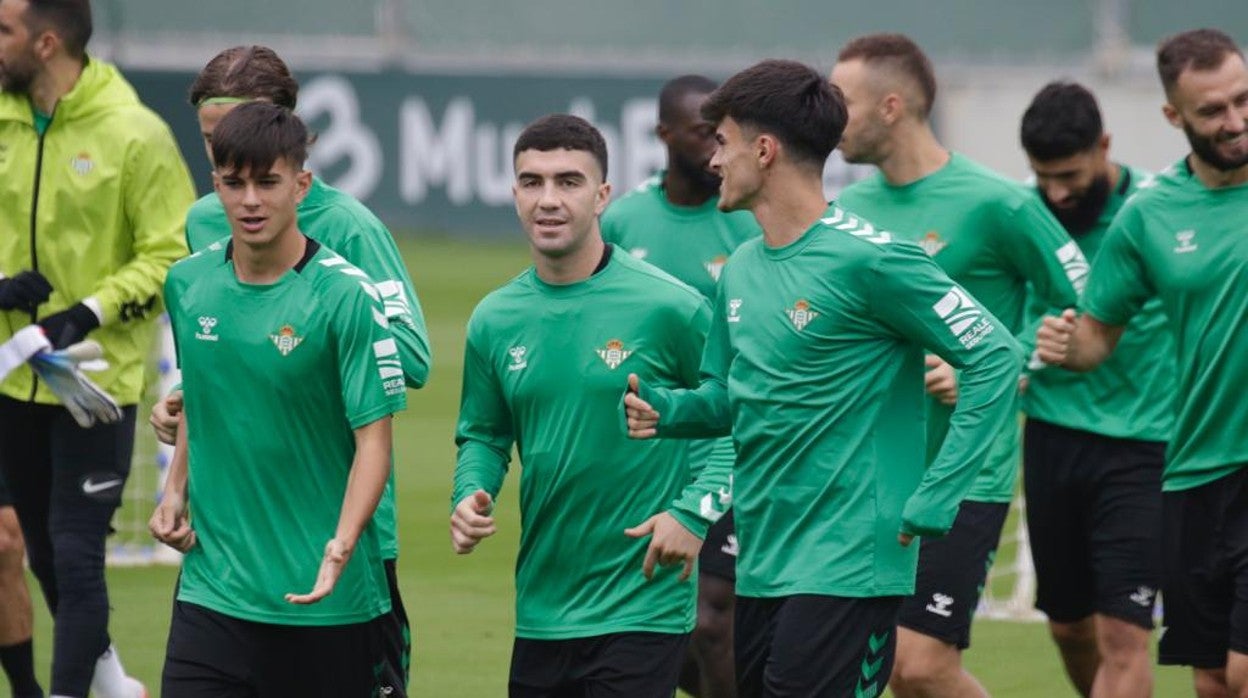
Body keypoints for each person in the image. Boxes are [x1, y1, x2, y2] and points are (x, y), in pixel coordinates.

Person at [623, 59, 1023, 697]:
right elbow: (732, 396)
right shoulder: (743, 268)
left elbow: (995, 356)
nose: (714, 161)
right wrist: (668, 413)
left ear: (764, 149)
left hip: (851, 563)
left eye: (722, 142)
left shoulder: (875, 259)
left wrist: (938, 492)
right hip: (764, 559)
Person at [146, 44, 431, 695]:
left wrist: (312, 340)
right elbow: (229, 336)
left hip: (336, 521)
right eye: (215, 147)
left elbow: (408, 360)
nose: (233, 170)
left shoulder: (348, 233)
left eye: (243, 139)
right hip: (227, 552)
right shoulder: (201, 226)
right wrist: (195, 396)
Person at [830, 34, 1086, 698]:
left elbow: (1078, 296)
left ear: (891, 106)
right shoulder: (846, 215)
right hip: (869, 476)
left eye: (843, 104)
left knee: (922, 665)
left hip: (965, 473)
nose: (831, 121)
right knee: (888, 673)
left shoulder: (996, 202)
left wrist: (999, 361)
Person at [451, 113, 731, 697]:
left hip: (641, 602)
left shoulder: (670, 307)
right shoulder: (494, 319)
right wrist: (470, 492)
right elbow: (484, 432)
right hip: (542, 605)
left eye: (568, 182)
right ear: (514, 193)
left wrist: (693, 512)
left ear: (603, 195)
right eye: (532, 182)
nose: (548, 200)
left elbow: (736, 416)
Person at [1036, 28, 1248, 698]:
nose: (1237, 121)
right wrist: (1068, 347)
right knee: (1212, 678)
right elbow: (1099, 336)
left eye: (1245, 100)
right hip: (1191, 470)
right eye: (1213, 111)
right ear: (1173, 117)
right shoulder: (1149, 215)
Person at [0, 0, 194, 695]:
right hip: (10, 380)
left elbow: (171, 253)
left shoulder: (134, 134)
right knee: (45, 555)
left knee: (77, 556)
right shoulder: (3, 122)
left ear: (47, 43)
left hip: (96, 385)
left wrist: (86, 313)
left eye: (4, 31)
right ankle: (111, 684)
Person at [601, 73, 760, 698]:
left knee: (712, 619)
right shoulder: (623, 222)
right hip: (645, 452)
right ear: (662, 135)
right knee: (665, 625)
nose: (713, 149)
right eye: (700, 133)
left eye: (721, 135)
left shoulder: (746, 226)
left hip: (726, 446)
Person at [1019, 81, 1172, 698]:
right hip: (1052, 439)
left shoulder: (1158, 211)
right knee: (1068, 629)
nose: (1057, 192)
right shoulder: (1024, 215)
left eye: (1071, 175)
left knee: (1122, 635)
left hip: (1143, 445)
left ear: (1104, 146)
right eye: (1043, 176)